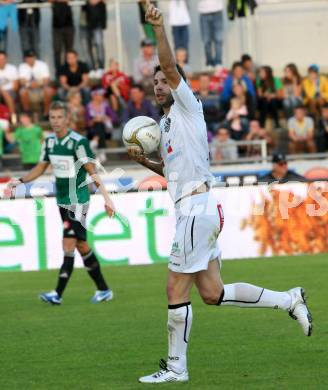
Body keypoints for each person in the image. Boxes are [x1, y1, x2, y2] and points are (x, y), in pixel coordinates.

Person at [129, 2, 312, 384]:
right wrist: (145, 163)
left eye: (165, 79)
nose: (159, 84)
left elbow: (168, 63)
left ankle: (177, 368)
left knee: (174, 286)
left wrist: (159, 29)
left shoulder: (187, 106)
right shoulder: (165, 125)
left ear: (176, 80)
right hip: (194, 206)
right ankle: (289, 299)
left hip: (196, 208)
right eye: (155, 82)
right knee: (212, 292)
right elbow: (172, 171)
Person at [6, 101, 115, 305]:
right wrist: (19, 181)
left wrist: (107, 199)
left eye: (59, 117)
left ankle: (57, 294)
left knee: (68, 243)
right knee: (82, 246)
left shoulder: (78, 142)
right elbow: (40, 168)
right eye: (52, 117)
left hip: (78, 200)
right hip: (62, 200)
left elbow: (92, 171)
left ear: (67, 119)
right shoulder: (48, 142)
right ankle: (104, 290)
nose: (56, 121)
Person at [18, 50, 54, 118]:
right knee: (22, 92)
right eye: (28, 57)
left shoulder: (42, 64)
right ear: (25, 58)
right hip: (29, 89)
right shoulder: (22, 66)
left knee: (49, 91)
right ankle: (27, 112)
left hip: (41, 88)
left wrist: (35, 83)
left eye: (32, 57)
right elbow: (22, 81)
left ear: (35, 57)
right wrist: (33, 84)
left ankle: (46, 113)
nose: (30, 59)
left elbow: (46, 80)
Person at [50, 0, 75, 77]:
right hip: (56, 26)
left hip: (68, 24)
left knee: (69, 51)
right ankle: (59, 73)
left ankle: (68, 72)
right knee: (57, 50)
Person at [198, 0, 224, 69]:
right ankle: (209, 61)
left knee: (218, 39)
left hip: (217, 11)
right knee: (206, 40)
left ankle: (218, 61)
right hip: (204, 12)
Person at [84, 0, 107, 72]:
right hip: (83, 20)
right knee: (86, 47)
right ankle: (91, 70)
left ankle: (101, 69)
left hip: (97, 19)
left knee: (99, 44)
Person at [0, 50, 18, 115]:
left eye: (3, 59)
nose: (1, 61)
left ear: (6, 59)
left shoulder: (12, 68)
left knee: (5, 93)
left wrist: (4, 91)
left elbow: (16, 87)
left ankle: (12, 115)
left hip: (11, 91)